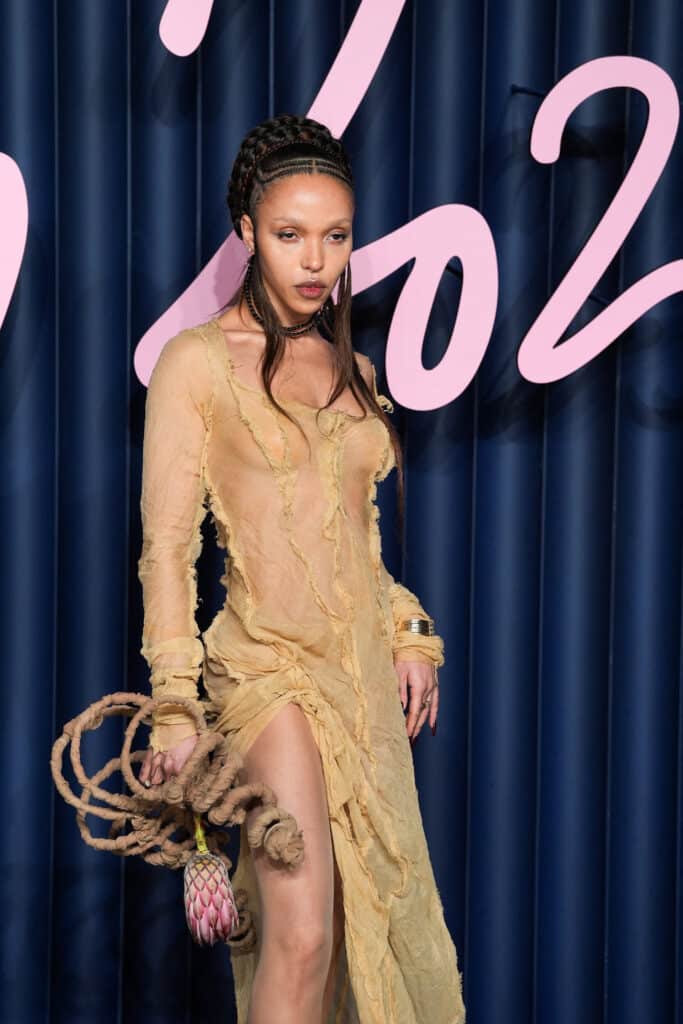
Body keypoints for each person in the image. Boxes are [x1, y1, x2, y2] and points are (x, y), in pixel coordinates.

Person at [137, 113, 466, 1024]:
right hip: (264, 670)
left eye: (335, 236)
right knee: (302, 932)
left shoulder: (354, 370)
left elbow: (355, 545)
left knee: (363, 933)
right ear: (246, 232)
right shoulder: (196, 363)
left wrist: (408, 631)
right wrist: (174, 707)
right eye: (290, 235)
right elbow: (168, 548)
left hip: (355, 675)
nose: (315, 261)